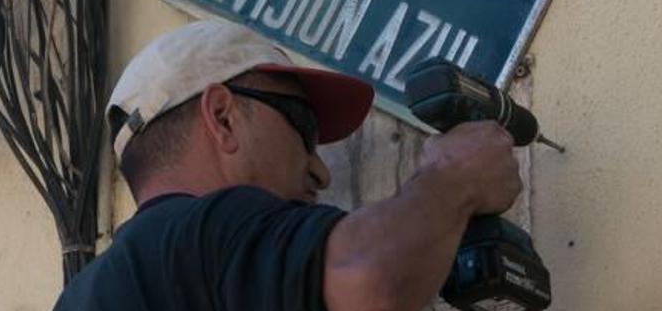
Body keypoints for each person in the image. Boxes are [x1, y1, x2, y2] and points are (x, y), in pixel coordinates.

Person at [54, 20, 522, 311]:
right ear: (222, 118)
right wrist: (455, 176)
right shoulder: (203, 234)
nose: (321, 172)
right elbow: (369, 277)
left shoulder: (83, 295)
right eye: (303, 128)